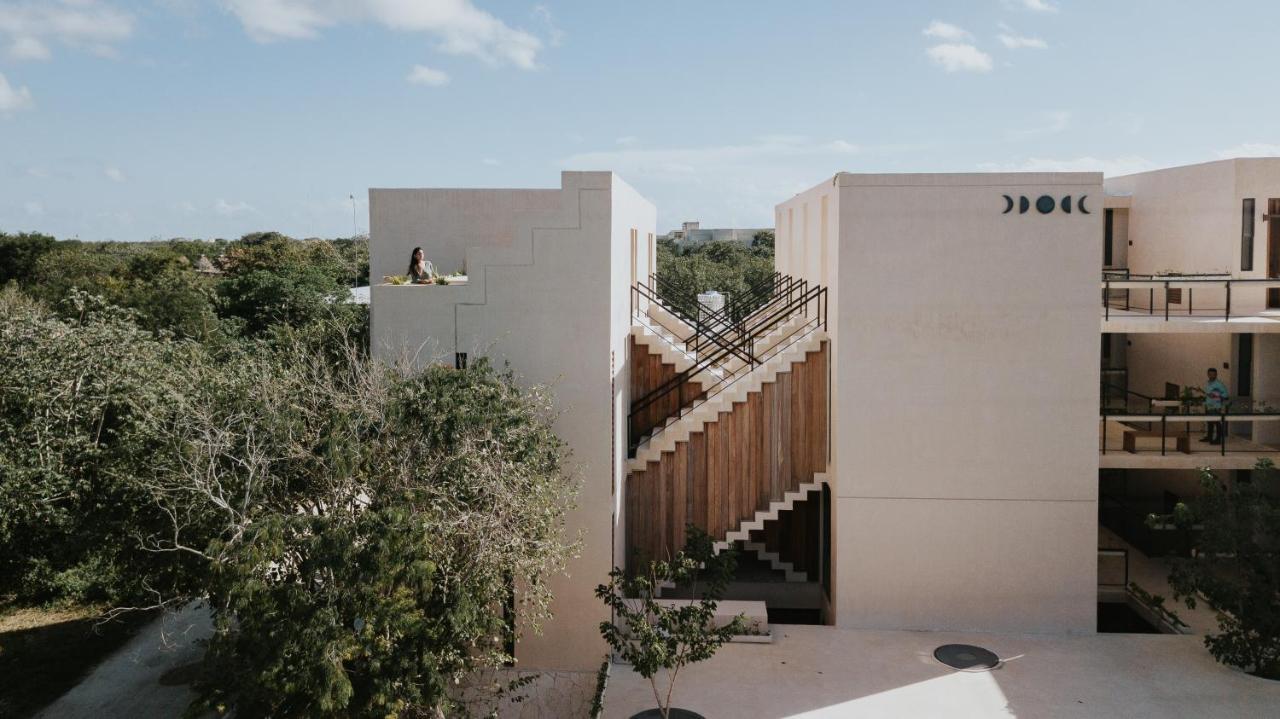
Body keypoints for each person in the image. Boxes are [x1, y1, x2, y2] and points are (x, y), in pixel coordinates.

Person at [1201, 367, 1229, 444]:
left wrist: (1216, 396)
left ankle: (1218, 439)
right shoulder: (1208, 383)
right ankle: (1209, 437)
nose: (1212, 376)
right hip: (1208, 405)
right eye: (1210, 374)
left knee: (1217, 422)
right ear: (1208, 374)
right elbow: (1208, 394)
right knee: (1209, 422)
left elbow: (1226, 394)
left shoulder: (1219, 384)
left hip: (1216, 407)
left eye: (1213, 374)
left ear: (1216, 375)